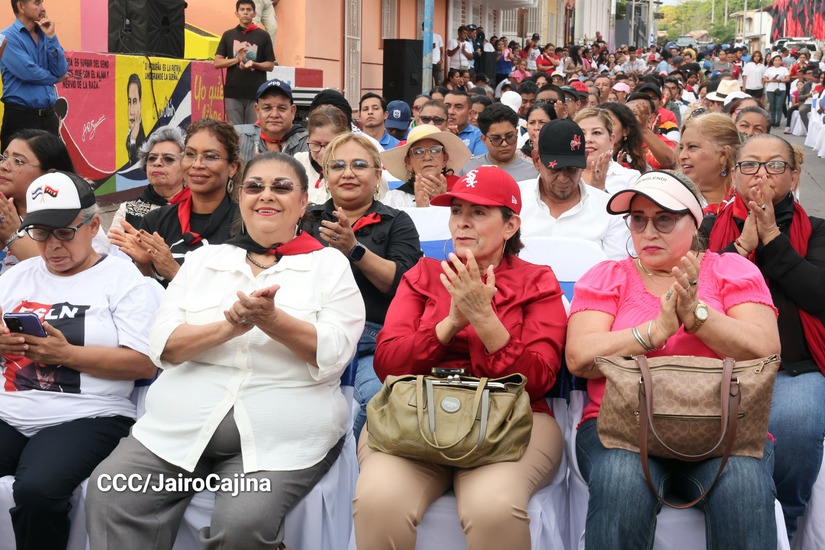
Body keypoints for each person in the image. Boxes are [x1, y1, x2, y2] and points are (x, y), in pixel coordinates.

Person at [86, 152, 365, 550]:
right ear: (241, 197)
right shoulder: (203, 261)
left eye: (282, 187)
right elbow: (163, 346)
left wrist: (274, 322)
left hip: (280, 442)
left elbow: (336, 353)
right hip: (177, 434)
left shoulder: (329, 267)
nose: (266, 195)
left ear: (304, 202)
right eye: (255, 186)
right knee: (112, 493)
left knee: (242, 527)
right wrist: (229, 327)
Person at [354, 165, 566, 550]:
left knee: (493, 508)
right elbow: (388, 363)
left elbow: (541, 378)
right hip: (416, 412)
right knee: (378, 500)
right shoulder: (424, 274)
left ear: (510, 225)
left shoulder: (537, 281)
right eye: (456, 212)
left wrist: (485, 321)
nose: (462, 223)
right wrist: (450, 323)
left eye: (478, 213)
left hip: (512, 419)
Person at [567, 169, 781, 550]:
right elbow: (579, 358)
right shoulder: (608, 276)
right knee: (620, 478)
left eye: (664, 219)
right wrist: (654, 332)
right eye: (638, 219)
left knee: (743, 483)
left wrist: (697, 316)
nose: (648, 231)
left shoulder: (732, 269)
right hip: (622, 429)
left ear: (694, 222)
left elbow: (766, 350)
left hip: (725, 427)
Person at [0, 171, 161, 550]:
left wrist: (66, 355)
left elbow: (143, 364)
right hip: (10, 411)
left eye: (63, 232)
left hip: (89, 415)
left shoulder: (125, 281)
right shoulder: (18, 276)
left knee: (39, 490)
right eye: (40, 233)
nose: (52, 245)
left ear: (92, 226)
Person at [703, 133, 825, 540]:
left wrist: (772, 239)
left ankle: (785, 520)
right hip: (719, 363)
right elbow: (701, 294)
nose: (761, 175)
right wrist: (742, 246)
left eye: (775, 165)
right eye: (750, 165)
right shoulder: (709, 226)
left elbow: (818, 295)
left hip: (794, 365)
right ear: (734, 174)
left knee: (798, 421)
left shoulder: (819, 230)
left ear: (793, 177)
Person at [302, 133, 421, 441]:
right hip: (309, 335)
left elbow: (403, 285)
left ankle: (348, 465)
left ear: (378, 175)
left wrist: (354, 249)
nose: (348, 172)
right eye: (338, 165)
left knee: (383, 401)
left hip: (372, 342)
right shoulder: (305, 220)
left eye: (359, 165)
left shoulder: (397, 222)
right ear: (326, 176)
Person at [121, 118, 241, 285]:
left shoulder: (245, 224)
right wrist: (143, 265)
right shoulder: (155, 221)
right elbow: (146, 297)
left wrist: (174, 272)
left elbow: (238, 296)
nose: (197, 164)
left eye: (211, 156)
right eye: (190, 154)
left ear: (232, 167)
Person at [519, 119, 629, 260]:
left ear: (585, 159)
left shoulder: (609, 211)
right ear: (536, 161)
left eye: (572, 169)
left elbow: (617, 269)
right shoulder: (514, 200)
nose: (563, 178)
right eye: (555, 170)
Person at [0, 129, 76, 276]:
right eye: (4, 157)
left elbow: (60, 274)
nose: (3, 166)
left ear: (49, 174)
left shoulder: (74, 215)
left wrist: (12, 234)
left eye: (18, 161)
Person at [0, 0, 68, 151]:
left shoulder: (45, 34)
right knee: (16, 170)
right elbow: (30, 72)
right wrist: (56, 79)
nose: (42, 8)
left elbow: (61, 69)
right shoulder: (5, 38)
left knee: (50, 170)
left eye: (42, 3)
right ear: (21, 6)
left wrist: (51, 36)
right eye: (37, 3)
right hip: (21, 117)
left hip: (49, 116)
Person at [109, 125, 186, 233]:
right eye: (152, 158)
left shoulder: (199, 205)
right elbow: (113, 247)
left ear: (186, 166)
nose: (157, 163)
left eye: (168, 158)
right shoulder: (128, 209)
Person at [213, 0, 276, 125]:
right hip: (233, 94)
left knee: (255, 132)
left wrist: (254, 64)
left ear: (254, 14)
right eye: (242, 10)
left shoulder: (263, 36)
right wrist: (237, 59)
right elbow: (217, 63)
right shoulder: (228, 35)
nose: (245, 12)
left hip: (257, 94)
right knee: (235, 133)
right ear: (236, 13)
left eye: (249, 10)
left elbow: (270, 65)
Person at [381, 124, 470, 208]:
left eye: (435, 150)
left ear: (444, 159)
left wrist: (441, 201)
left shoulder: (461, 196)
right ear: (408, 163)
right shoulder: (394, 200)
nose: (427, 157)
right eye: (418, 152)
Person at [679, 112, 739, 215]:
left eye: (692, 147)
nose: (681, 156)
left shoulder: (749, 200)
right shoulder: (673, 201)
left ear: (723, 155)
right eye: (681, 148)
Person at [459, 103, 538, 181]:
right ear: (483, 139)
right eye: (496, 139)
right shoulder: (468, 168)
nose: (504, 144)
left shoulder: (534, 172)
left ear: (516, 133)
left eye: (510, 137)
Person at [237, 78, 307, 163]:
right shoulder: (239, 142)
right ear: (257, 111)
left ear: (292, 111)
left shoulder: (308, 143)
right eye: (267, 108)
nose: (274, 115)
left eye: (282, 108)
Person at [574, 107, 641, 195]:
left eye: (596, 133)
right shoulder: (561, 175)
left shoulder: (630, 178)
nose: (588, 139)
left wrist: (600, 189)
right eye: (581, 133)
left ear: (611, 140)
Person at [294, 105, 350, 205]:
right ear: (308, 139)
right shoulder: (298, 163)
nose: (323, 153)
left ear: (344, 141)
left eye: (330, 145)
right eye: (315, 144)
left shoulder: (353, 173)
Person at [444, 90, 487, 156]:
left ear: (470, 113)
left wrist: (453, 141)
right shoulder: (434, 131)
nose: (450, 112)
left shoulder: (479, 136)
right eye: (447, 106)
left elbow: (478, 164)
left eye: (458, 107)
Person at [764, 53, 790, 128]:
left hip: (781, 88)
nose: (777, 61)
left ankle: (778, 121)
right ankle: (772, 120)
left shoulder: (784, 69)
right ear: (773, 61)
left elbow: (788, 79)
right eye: (776, 60)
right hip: (771, 89)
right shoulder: (769, 69)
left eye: (779, 60)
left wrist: (780, 81)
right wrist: (771, 80)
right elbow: (765, 79)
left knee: (779, 106)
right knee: (772, 105)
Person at [125, 74, 146, 166]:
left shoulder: (142, 139)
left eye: (135, 101)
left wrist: (133, 140)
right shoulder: (131, 131)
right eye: (129, 102)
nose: (131, 111)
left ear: (140, 104)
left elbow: (134, 169)